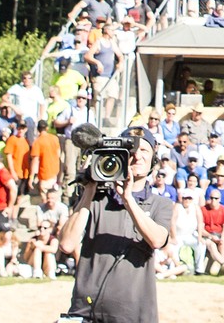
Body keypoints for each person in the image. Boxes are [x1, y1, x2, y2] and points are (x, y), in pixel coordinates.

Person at [57, 127, 173, 323]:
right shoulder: (95, 199)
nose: (137, 156)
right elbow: (67, 244)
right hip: (85, 311)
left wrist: (127, 199)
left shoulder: (161, 204)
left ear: (153, 159)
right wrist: (88, 190)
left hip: (133, 314)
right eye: (131, 151)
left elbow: (157, 240)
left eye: (144, 150)